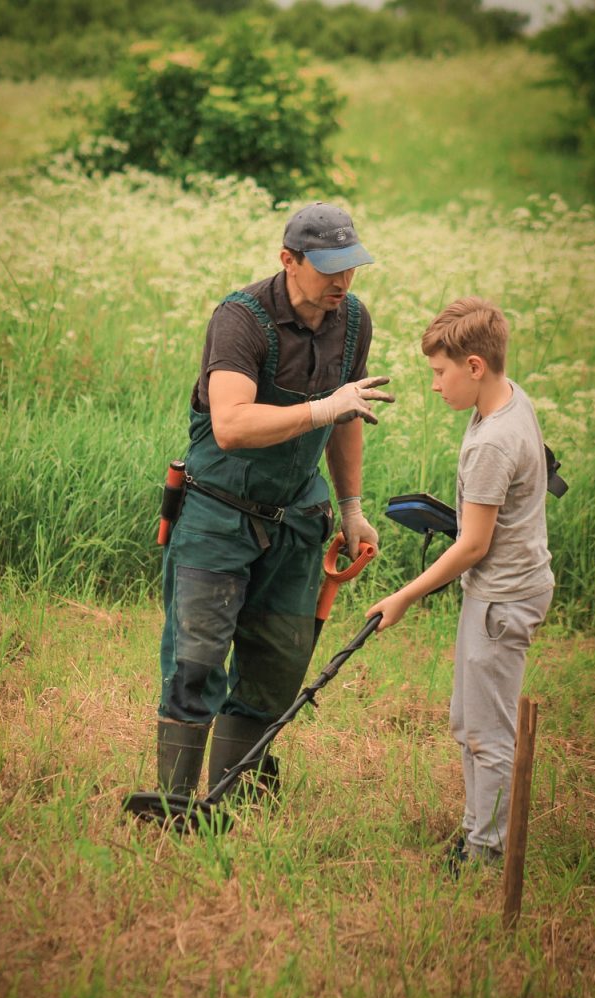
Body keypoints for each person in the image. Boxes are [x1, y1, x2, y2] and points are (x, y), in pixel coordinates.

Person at [158, 201, 395, 799]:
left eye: (351, 267)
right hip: (217, 510)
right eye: (328, 267)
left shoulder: (353, 320)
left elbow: (349, 415)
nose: (342, 281)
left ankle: (228, 802)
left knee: (275, 670)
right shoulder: (241, 318)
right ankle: (178, 805)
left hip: (296, 518)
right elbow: (232, 425)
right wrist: (320, 407)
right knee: (197, 661)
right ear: (289, 260)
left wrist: (351, 506)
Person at [367, 296, 554, 867]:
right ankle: (476, 831)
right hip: (500, 587)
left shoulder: (494, 441)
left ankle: (486, 853)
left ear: (475, 366)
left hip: (502, 597)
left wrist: (402, 596)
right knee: (466, 719)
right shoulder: (506, 397)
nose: (434, 385)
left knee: (488, 733)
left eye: (439, 373)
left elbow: (473, 545)